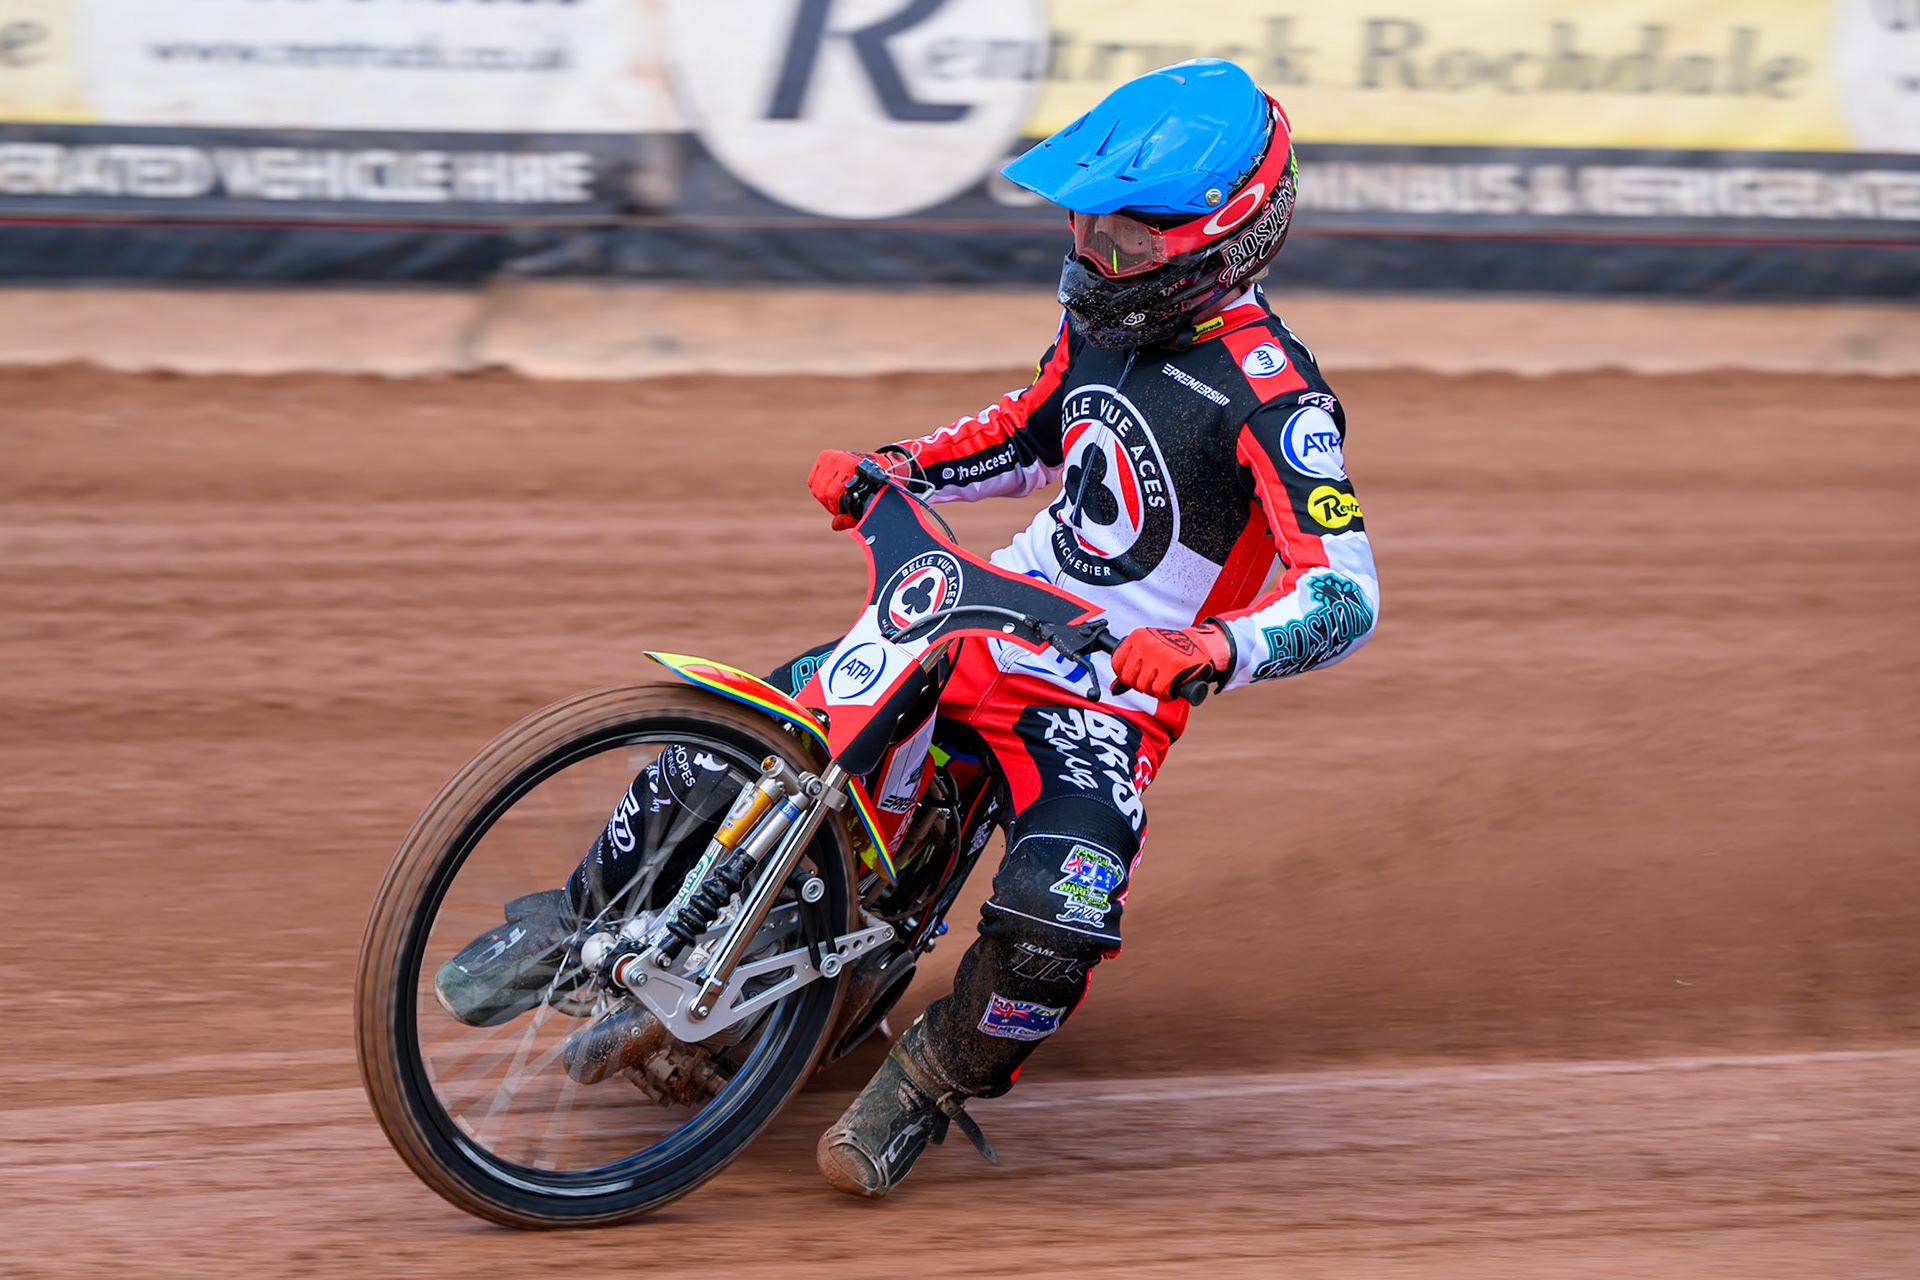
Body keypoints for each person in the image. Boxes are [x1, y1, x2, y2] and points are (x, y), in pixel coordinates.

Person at [434, 58, 1380, 1200]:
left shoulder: (1279, 399)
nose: (1094, 253)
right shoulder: (1103, 314)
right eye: (1087, 226)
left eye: (1127, 238)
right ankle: (577, 918)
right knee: (744, 734)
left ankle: (928, 1081)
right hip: (983, 615)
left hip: (1106, 697)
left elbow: (1345, 593)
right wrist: (898, 466)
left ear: (1225, 239)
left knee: (1060, 919)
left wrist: (1215, 648)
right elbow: (1029, 432)